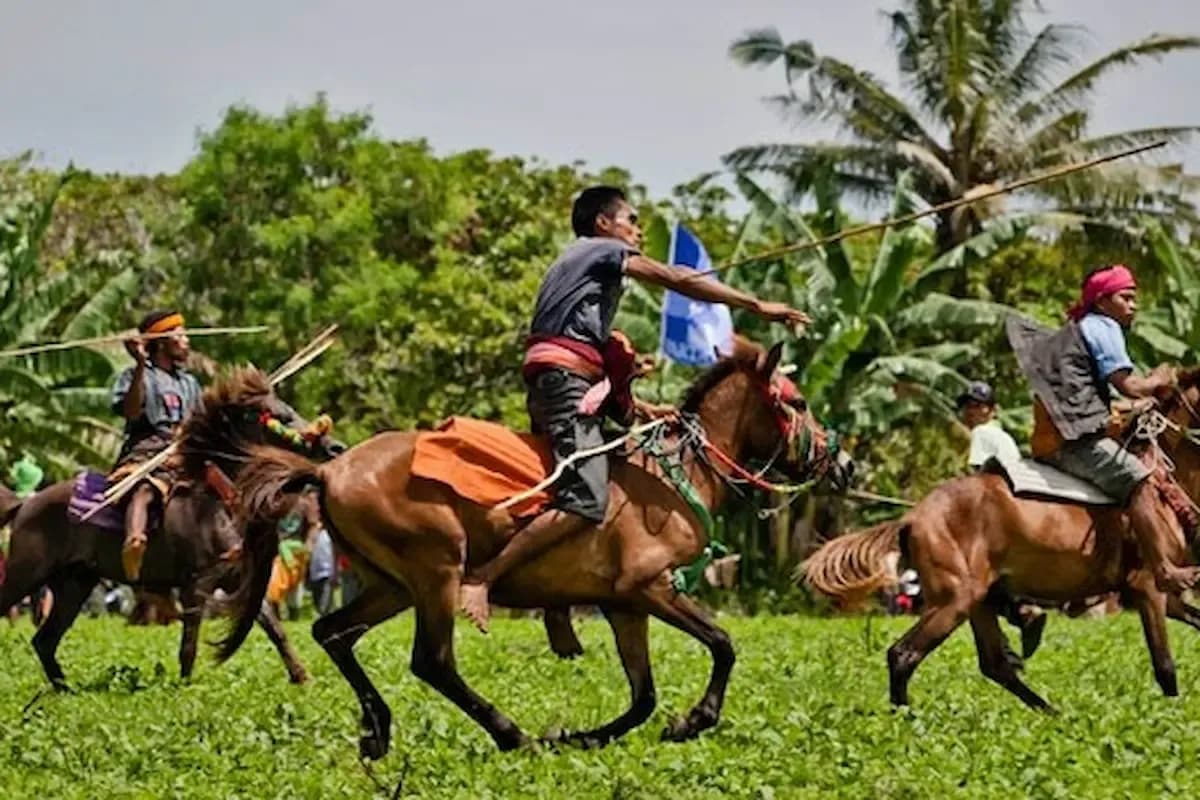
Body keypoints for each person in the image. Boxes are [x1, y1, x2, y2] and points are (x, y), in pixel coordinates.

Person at [458, 185, 810, 630]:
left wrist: (641, 406)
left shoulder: (579, 267)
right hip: (565, 384)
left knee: (580, 482)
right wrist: (756, 305)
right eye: (633, 220)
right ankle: (483, 577)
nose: (639, 231)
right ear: (605, 223)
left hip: (560, 383)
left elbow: (581, 349)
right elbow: (678, 279)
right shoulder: (600, 249)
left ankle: (555, 605)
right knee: (587, 497)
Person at [1008, 264, 1199, 593]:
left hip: (1057, 439)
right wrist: (1159, 379)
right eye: (1125, 297)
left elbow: (1098, 398)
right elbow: (1130, 386)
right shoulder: (1103, 327)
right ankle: (1163, 569)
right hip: (1074, 444)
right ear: (1101, 301)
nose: (1133, 305)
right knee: (1137, 478)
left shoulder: (1082, 328)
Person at [109, 310, 203, 581]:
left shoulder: (189, 382)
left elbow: (197, 421)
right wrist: (140, 364)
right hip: (145, 451)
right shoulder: (134, 376)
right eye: (180, 335)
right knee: (145, 488)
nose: (187, 341)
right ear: (162, 342)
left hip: (181, 452)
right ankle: (134, 541)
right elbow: (130, 411)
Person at [957, 382, 1046, 659]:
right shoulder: (1002, 435)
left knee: (968, 575)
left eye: (978, 406)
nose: (971, 412)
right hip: (1020, 503)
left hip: (1000, 509)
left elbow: (978, 479)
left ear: (992, 410)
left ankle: (1018, 618)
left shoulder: (982, 434)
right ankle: (1022, 612)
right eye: (967, 406)